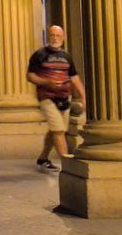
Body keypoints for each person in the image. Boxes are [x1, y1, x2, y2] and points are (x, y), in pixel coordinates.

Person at [26, 25, 86, 171]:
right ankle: (67, 166)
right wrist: (46, 82)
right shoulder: (40, 54)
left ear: (63, 38)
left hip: (64, 97)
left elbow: (74, 77)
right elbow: (30, 75)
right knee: (58, 130)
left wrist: (82, 96)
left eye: (58, 36)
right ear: (48, 36)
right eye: (52, 35)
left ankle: (43, 158)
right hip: (47, 97)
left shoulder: (66, 56)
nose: (55, 38)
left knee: (57, 130)